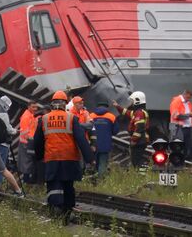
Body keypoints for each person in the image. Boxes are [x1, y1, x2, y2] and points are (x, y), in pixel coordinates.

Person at [34, 90, 94, 220]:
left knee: (53, 183)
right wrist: (89, 158)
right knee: (68, 184)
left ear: (52, 104)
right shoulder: (72, 118)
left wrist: (39, 156)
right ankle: (66, 213)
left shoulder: (44, 119)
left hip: (52, 157)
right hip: (70, 158)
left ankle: (55, 209)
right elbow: (81, 139)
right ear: (65, 104)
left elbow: (37, 140)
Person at [114, 91, 150, 168]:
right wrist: (117, 106)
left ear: (137, 101)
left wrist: (134, 140)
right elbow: (127, 112)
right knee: (137, 160)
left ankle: (140, 177)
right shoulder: (138, 112)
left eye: (133, 101)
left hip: (139, 141)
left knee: (137, 161)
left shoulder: (139, 113)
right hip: (141, 140)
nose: (132, 103)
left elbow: (139, 128)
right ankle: (140, 175)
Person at [89, 102, 118, 177]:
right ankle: (100, 182)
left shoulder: (91, 116)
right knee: (103, 164)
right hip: (105, 144)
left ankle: (93, 181)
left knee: (94, 163)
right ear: (107, 108)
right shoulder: (111, 116)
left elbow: (87, 129)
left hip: (93, 144)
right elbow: (115, 131)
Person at [169, 90, 192, 162]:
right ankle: (177, 164)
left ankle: (185, 163)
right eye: (187, 97)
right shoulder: (176, 101)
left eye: (189, 98)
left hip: (188, 128)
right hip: (178, 128)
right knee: (178, 147)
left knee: (187, 148)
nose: (188, 99)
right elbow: (175, 116)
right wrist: (188, 115)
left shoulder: (189, 103)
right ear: (185, 94)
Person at [18, 101, 39, 183]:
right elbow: (25, 132)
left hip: (28, 142)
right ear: (28, 107)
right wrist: (32, 140)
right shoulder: (26, 117)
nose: (35, 109)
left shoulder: (31, 116)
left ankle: (27, 181)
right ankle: (26, 181)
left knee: (28, 162)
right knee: (26, 163)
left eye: (36, 107)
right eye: (33, 107)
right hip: (26, 142)